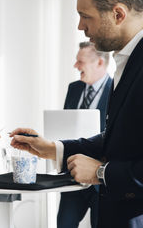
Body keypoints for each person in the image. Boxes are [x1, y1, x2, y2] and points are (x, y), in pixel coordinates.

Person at [10, 0, 143, 228]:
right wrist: (54, 149)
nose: (80, 26)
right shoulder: (128, 60)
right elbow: (121, 139)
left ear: (118, 14)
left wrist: (101, 172)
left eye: (85, 16)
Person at [57, 42, 112, 228]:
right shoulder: (74, 89)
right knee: (64, 224)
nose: (75, 66)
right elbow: (65, 127)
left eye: (80, 61)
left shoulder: (116, 90)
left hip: (101, 178)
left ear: (99, 63)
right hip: (72, 173)